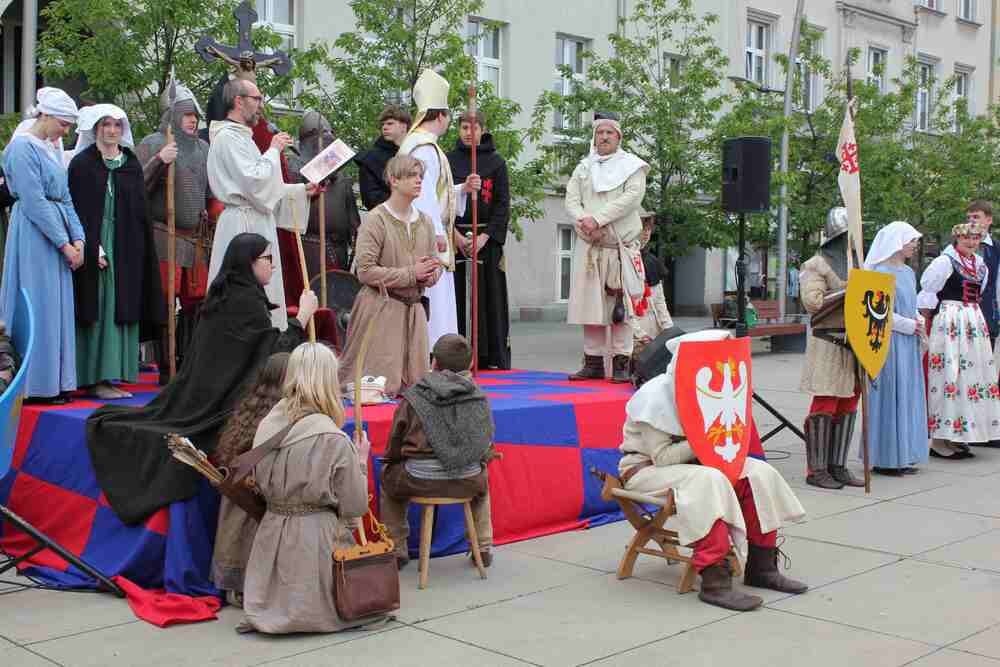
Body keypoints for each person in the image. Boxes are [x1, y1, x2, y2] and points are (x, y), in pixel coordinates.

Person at [86, 233, 318, 524]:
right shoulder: (245, 301)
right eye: (267, 259)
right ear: (249, 263)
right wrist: (303, 318)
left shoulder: (227, 293)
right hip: (215, 402)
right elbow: (270, 357)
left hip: (200, 391)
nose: (273, 265)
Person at [619, 329, 807, 611]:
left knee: (757, 472)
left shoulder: (718, 388)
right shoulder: (655, 395)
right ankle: (714, 579)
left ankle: (762, 566)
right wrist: (705, 440)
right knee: (709, 480)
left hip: (696, 463)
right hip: (647, 470)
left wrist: (712, 440)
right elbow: (663, 457)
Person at [241, 342, 381, 635]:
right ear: (329, 381)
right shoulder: (332, 438)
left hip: (273, 533)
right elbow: (355, 504)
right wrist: (360, 462)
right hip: (316, 543)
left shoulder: (267, 425)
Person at [207, 78, 320, 330]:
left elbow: (262, 190)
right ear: (238, 101)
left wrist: (301, 191)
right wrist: (273, 149)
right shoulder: (227, 138)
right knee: (244, 298)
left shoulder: (242, 138)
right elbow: (255, 183)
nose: (261, 105)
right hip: (242, 226)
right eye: (256, 99)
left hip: (256, 220)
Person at [68, 104, 163, 400]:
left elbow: (138, 211)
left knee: (121, 306)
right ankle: (93, 377)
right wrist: (90, 243)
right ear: (95, 128)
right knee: (99, 305)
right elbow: (76, 209)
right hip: (93, 243)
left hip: (125, 246)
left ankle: (114, 374)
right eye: (105, 125)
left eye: (116, 125)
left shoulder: (130, 164)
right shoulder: (83, 164)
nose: (111, 131)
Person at [380, 334, 498, 568]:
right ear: (470, 364)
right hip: (467, 480)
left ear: (434, 362)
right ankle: (483, 546)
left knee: (388, 479)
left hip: (419, 480)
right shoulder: (479, 397)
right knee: (481, 481)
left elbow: (395, 442)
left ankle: (395, 549)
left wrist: (390, 462)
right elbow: (485, 444)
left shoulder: (413, 396)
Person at [0, 87, 83, 403]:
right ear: (45, 115)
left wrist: (79, 239)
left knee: (56, 307)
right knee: (37, 303)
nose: (66, 130)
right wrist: (64, 244)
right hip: (35, 235)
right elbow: (34, 202)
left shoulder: (50, 148)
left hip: (56, 231)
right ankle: (34, 384)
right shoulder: (22, 148)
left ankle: (55, 381)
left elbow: (65, 197)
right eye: (63, 123)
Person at [338, 155, 440, 397]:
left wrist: (429, 275)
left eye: (421, 176)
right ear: (394, 180)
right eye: (412, 175)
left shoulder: (425, 222)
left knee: (417, 390)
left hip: (414, 312)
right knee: (375, 390)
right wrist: (410, 274)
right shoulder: (376, 220)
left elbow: (435, 265)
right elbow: (365, 270)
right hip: (380, 309)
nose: (419, 181)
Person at [135, 82, 213, 381]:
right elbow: (135, 187)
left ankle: (188, 361)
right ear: (172, 116)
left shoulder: (203, 148)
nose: (193, 120)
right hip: (163, 235)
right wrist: (159, 161)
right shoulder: (155, 143)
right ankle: (167, 368)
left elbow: (209, 191)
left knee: (195, 303)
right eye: (186, 115)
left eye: (195, 115)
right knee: (166, 302)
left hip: (195, 238)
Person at [398, 69, 480, 349]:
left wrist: (461, 191)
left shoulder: (416, 144)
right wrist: (435, 234)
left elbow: (435, 193)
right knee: (436, 303)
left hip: (417, 231)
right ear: (441, 116)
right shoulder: (423, 148)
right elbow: (422, 197)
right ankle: (436, 358)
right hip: (427, 238)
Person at [565, 113, 649, 383]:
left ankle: (622, 361)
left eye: (609, 133)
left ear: (618, 137)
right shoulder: (584, 167)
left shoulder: (633, 166)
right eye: (599, 133)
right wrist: (585, 223)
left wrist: (599, 219)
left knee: (618, 308)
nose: (603, 137)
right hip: (590, 246)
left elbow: (631, 198)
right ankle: (593, 362)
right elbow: (571, 200)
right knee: (589, 307)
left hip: (618, 248)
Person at [210, 351, 290, 608]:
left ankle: (239, 585)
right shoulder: (275, 421)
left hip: (238, 504)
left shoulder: (248, 409)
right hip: (252, 503)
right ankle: (246, 587)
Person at [918, 222, 1000, 459]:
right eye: (967, 239)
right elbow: (928, 287)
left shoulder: (980, 264)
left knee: (970, 377)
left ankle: (957, 434)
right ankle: (939, 439)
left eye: (975, 239)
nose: (972, 243)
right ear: (957, 239)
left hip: (972, 320)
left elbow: (982, 291)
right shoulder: (945, 261)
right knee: (949, 374)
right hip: (951, 319)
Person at [800, 207, 865, 490]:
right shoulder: (816, 264)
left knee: (848, 403)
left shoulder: (857, 263)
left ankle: (837, 466)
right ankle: (816, 469)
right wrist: (849, 289)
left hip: (854, 343)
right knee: (826, 403)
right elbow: (813, 302)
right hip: (828, 341)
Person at [863, 222, 929, 475]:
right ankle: (886, 457)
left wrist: (918, 321)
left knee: (908, 396)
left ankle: (905, 454)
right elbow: (878, 313)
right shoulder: (878, 273)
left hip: (908, 341)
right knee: (890, 396)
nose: (915, 245)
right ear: (897, 241)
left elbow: (910, 304)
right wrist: (909, 325)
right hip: (888, 343)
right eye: (911, 240)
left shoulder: (909, 273)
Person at [447, 109, 512, 370]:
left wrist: (485, 237)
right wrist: (455, 235)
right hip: (456, 238)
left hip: (486, 241)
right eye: (463, 127)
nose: (468, 132)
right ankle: (456, 355)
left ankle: (489, 355)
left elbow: (502, 204)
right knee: (457, 299)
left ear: (482, 130)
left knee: (489, 299)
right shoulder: (447, 161)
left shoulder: (496, 163)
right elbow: (441, 198)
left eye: (473, 128)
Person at [287, 110, 362, 272]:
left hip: (339, 251)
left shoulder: (341, 177)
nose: (328, 137)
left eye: (330, 133)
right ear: (309, 138)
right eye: (323, 134)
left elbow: (354, 223)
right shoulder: (295, 168)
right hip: (309, 249)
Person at [630, 211, 673, 359]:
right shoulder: (621, 258)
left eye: (648, 229)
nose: (646, 233)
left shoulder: (652, 261)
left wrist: (670, 330)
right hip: (631, 327)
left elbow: (659, 300)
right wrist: (639, 334)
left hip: (652, 324)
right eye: (643, 229)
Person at [357, 105, 411, 211]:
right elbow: (371, 198)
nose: (384, 127)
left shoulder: (416, 152)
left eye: (390, 123)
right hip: (386, 220)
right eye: (383, 124)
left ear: (404, 127)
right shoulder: (370, 159)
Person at [968, 201, 998, 346]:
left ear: (989, 220)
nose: (972, 220)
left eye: (976, 216)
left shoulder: (997, 248)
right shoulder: (957, 245)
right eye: (969, 218)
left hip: (987, 312)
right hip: (962, 315)